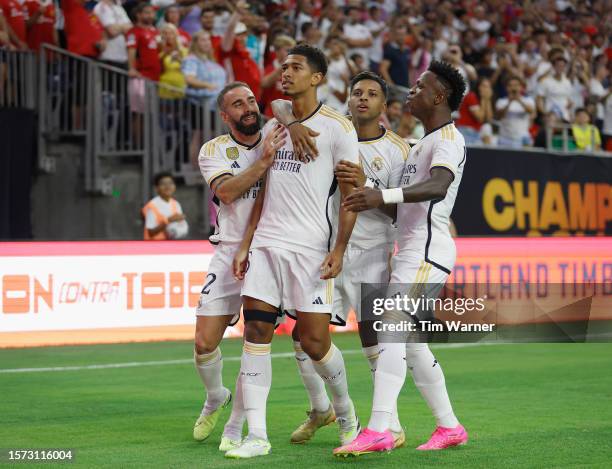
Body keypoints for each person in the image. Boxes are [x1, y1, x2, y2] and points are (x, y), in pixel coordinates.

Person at [229, 44, 360, 459]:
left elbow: (351, 195)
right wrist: (248, 242)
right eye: (283, 66)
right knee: (256, 332)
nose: (285, 72)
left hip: (309, 249)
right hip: (267, 244)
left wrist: (339, 248)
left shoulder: (339, 128)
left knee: (314, 341)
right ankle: (257, 435)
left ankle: (346, 417)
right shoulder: (276, 125)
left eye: (295, 67)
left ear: (317, 78)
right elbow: (265, 189)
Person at [334, 60, 469, 456]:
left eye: (420, 86)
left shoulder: (448, 139)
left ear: (439, 96)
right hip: (410, 249)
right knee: (410, 344)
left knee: (391, 329)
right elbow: (400, 210)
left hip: (427, 251)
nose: (410, 91)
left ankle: (378, 428)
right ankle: (449, 426)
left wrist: (382, 194)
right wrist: (370, 189)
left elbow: (440, 186)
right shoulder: (419, 145)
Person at [271, 71, 408, 448]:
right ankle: (321, 408)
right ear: (348, 99)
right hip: (328, 251)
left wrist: (371, 189)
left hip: (373, 256)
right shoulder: (333, 129)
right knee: (303, 337)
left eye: (372, 94)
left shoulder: (398, 149)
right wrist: (293, 123)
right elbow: (280, 104)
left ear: (384, 105)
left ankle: (390, 425)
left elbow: (407, 212)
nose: (363, 98)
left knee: (373, 340)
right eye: (357, 92)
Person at [193, 82, 286, 452]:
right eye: (237, 104)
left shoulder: (278, 133)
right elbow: (228, 192)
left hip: (268, 252)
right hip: (227, 249)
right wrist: (263, 162)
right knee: (204, 342)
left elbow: (288, 106)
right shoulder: (213, 150)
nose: (247, 107)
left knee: (255, 341)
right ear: (224, 115)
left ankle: (235, 425)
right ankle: (216, 395)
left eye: (250, 100)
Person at [182, 30, 227, 166]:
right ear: (195, 43)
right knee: (198, 135)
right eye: (202, 40)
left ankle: (210, 170)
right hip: (200, 103)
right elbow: (189, 79)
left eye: (208, 40)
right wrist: (208, 85)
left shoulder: (210, 60)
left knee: (212, 137)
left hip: (215, 105)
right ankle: (195, 171)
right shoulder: (191, 59)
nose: (207, 42)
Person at [142, 172, 188, 240]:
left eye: (170, 183)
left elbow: (179, 226)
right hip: (153, 246)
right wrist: (168, 220)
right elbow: (150, 232)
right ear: (157, 188)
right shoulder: (151, 206)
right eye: (163, 184)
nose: (168, 186)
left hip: (171, 245)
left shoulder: (176, 204)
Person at [260, 34, 295, 117]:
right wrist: (282, 68)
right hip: (272, 115)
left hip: (291, 115)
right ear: (277, 51)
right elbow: (264, 84)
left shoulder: (295, 69)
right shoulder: (270, 68)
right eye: (287, 50)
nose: (290, 54)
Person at [496, 76, 536, 148]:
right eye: (510, 85)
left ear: (521, 87)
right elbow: (499, 116)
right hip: (505, 138)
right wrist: (509, 102)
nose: (513, 88)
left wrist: (519, 100)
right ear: (506, 88)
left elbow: (531, 111)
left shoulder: (528, 100)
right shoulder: (501, 101)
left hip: (523, 138)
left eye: (516, 85)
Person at [93, 0, 131, 68]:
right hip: (108, 57)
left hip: (123, 57)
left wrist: (116, 27)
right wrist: (123, 27)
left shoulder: (119, 8)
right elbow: (112, 31)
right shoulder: (100, 7)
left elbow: (131, 28)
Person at [456, 77, 494, 145]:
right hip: (466, 131)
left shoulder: (484, 99)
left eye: (488, 87)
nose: (486, 89)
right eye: (484, 86)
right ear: (478, 87)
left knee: (487, 127)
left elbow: (489, 119)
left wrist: (487, 100)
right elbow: (480, 118)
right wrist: (483, 99)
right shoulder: (471, 96)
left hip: (475, 133)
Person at [158, 23, 188, 100]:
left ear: (176, 34)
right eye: (165, 33)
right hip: (165, 86)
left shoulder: (184, 50)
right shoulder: (160, 52)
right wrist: (164, 53)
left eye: (171, 33)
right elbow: (157, 69)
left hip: (180, 86)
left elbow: (189, 68)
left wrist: (180, 60)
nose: (168, 36)